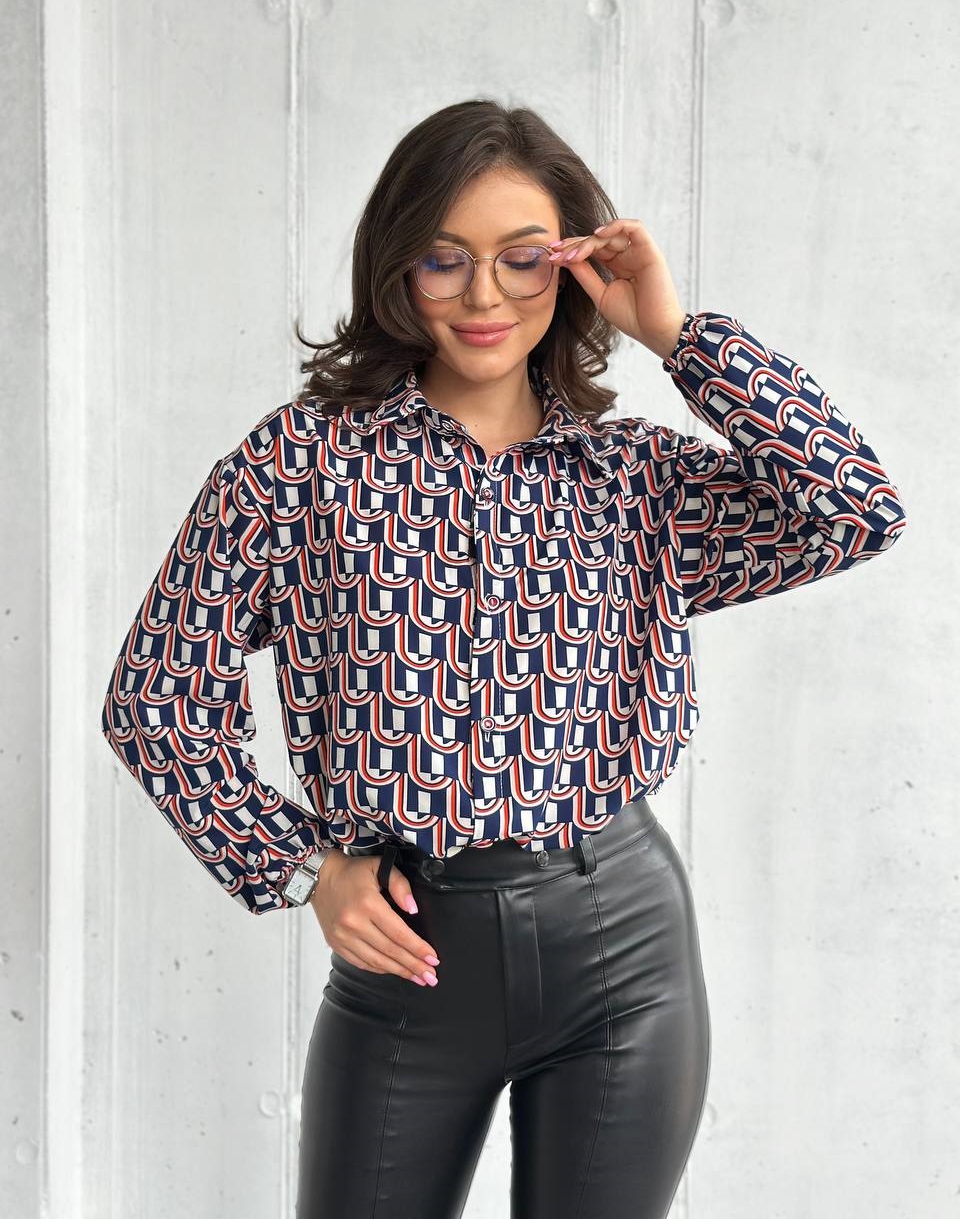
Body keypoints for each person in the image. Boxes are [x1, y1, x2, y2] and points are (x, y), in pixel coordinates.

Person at [99, 99, 908, 1219]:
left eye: (523, 259)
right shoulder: (301, 465)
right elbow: (155, 695)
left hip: (624, 952)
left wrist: (678, 335)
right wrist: (302, 867)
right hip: (408, 961)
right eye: (445, 260)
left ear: (570, 269)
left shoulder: (636, 483)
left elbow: (857, 510)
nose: (484, 297)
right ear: (398, 269)